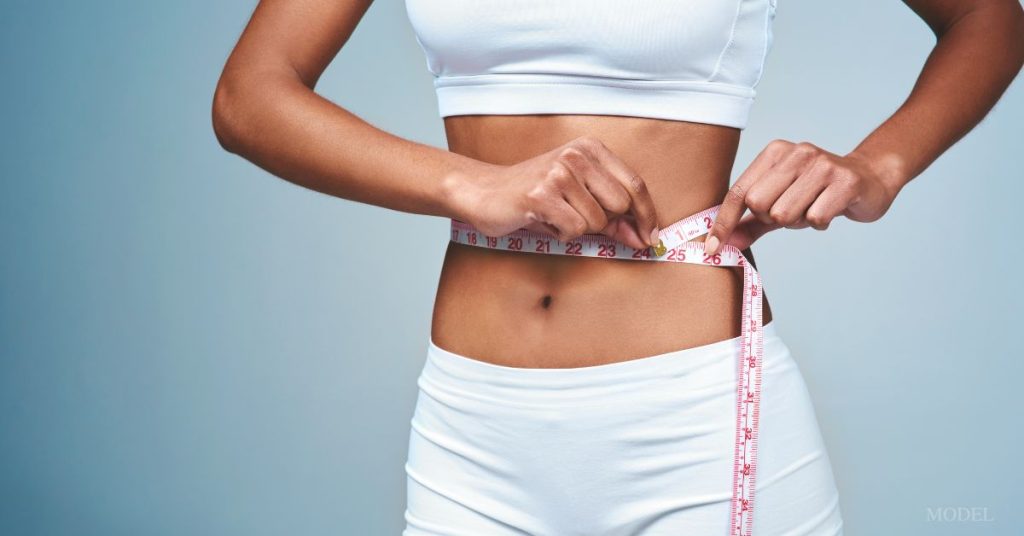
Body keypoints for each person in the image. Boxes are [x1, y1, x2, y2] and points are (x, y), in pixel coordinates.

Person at [211, 1, 1024, 534]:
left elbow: (992, 17)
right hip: (474, 428)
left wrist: (877, 168)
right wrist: (471, 183)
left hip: (698, 421)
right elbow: (250, 95)